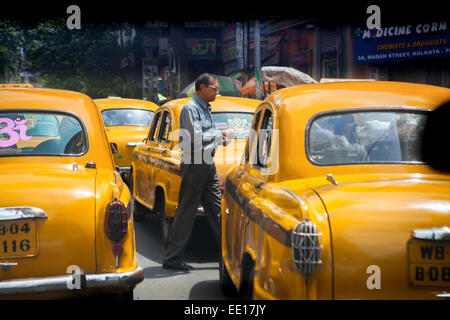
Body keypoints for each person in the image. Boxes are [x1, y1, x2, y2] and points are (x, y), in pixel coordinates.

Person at [162, 73, 233, 271]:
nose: (216, 92)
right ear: (201, 87)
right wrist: (220, 135)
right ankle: (172, 258)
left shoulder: (204, 108)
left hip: (206, 163)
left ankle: (229, 255)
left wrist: (218, 137)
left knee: (218, 210)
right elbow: (195, 137)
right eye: (214, 88)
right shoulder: (191, 108)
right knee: (187, 210)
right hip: (195, 162)